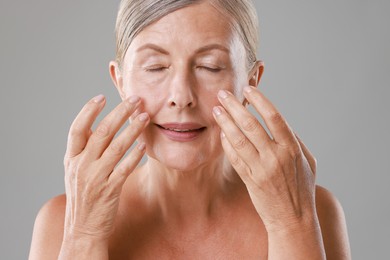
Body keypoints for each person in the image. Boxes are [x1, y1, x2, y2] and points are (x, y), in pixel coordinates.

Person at [29, 0, 351, 259]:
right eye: (156, 67)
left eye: (210, 66)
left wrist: (291, 226)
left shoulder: (313, 212)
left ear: (251, 82)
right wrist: (83, 237)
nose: (181, 97)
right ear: (120, 81)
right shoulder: (61, 224)